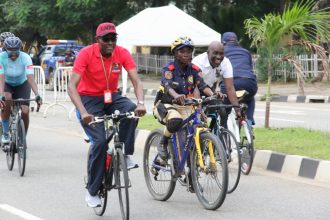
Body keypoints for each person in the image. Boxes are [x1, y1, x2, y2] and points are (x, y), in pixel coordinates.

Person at [68, 22, 146, 208]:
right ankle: (92, 191)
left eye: (114, 39)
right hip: (88, 100)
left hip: (111, 96)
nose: (111, 43)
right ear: (98, 40)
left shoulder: (122, 53)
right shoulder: (86, 53)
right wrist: (83, 111)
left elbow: (136, 80)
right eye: (106, 39)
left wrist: (141, 103)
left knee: (130, 112)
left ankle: (125, 154)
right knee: (100, 143)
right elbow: (72, 87)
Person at [154, 36, 215, 164]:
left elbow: (202, 85)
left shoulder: (194, 70)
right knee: (176, 121)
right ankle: (163, 142)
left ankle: (194, 167)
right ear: (175, 53)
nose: (186, 54)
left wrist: (214, 94)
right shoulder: (168, 69)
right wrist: (176, 95)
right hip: (166, 104)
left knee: (200, 126)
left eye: (188, 51)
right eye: (182, 51)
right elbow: (168, 86)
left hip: (186, 106)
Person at [0, 36, 42, 147]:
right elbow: (1, 77)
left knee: (25, 110)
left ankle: (23, 137)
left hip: (22, 83)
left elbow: (30, 77)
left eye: (16, 51)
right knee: (7, 98)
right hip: (7, 83)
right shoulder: (1, 57)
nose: (13, 54)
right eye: (10, 52)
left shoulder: (26, 57)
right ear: (5, 50)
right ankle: (5, 133)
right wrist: (1, 95)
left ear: (20, 49)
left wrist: (37, 94)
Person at [192, 41, 241, 127]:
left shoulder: (226, 63)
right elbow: (196, 86)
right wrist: (199, 109)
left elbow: (229, 88)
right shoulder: (198, 62)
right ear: (208, 53)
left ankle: (221, 136)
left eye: (221, 54)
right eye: (215, 53)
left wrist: (237, 109)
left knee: (222, 111)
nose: (218, 57)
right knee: (199, 119)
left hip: (209, 91)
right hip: (194, 91)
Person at [221, 32, 258, 125]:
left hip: (232, 82)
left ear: (223, 42)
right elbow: (249, 68)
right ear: (237, 42)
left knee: (224, 104)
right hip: (250, 82)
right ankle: (249, 121)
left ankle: (224, 127)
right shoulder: (246, 52)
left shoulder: (221, 52)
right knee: (250, 98)